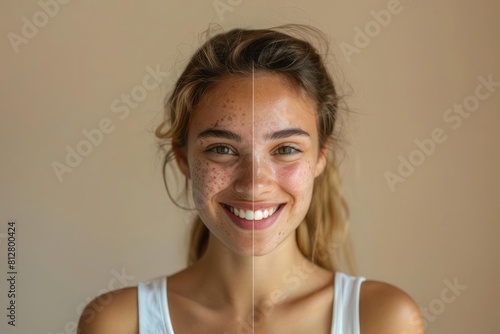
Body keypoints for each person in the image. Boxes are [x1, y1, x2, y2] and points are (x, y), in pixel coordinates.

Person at [78, 24, 424, 333]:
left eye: (286, 149)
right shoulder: (120, 323)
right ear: (184, 157)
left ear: (321, 157)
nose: (254, 184)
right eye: (223, 149)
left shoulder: (382, 319)